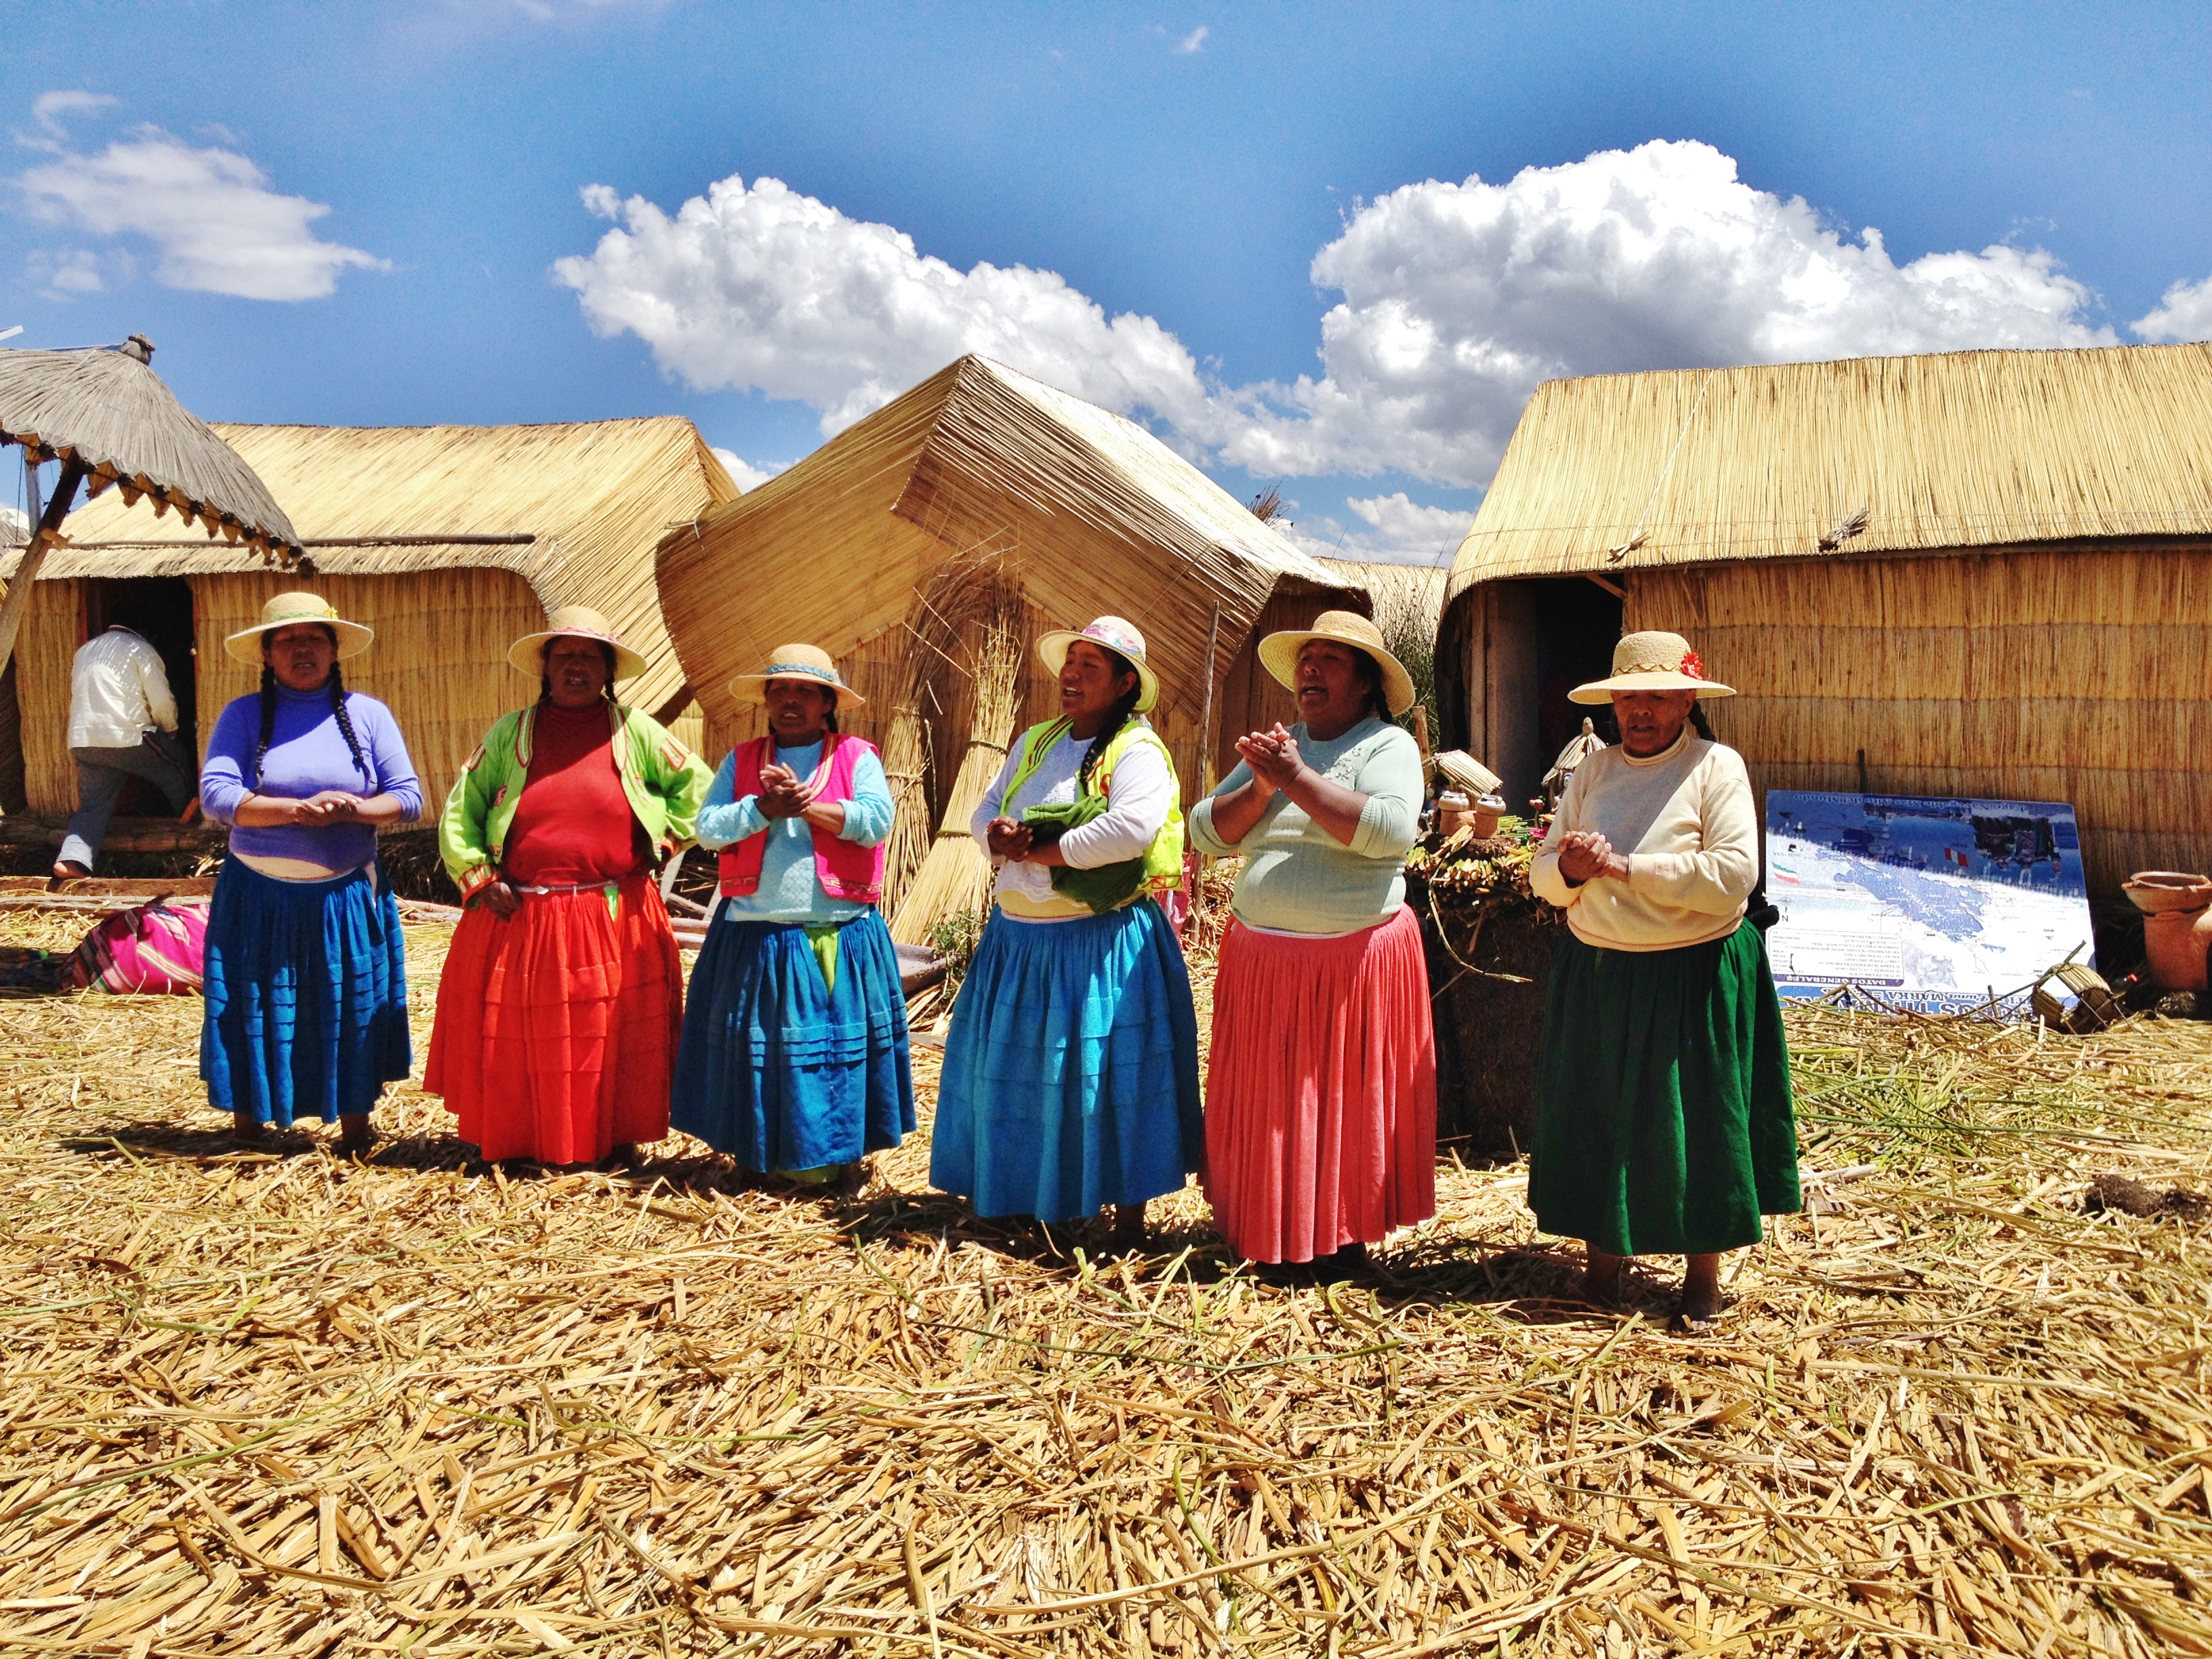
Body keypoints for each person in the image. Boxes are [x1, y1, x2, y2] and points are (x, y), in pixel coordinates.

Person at [1527, 631, 1800, 1330]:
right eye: (1628, 698)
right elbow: (1544, 876)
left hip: (1695, 971)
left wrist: (1623, 868)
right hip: (1602, 972)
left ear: (1685, 702)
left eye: (1657, 696)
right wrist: (1570, 871)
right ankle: (1602, 1269)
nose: (1640, 710)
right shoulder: (1594, 771)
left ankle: (1701, 1279)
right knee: (1601, 1115)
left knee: (1702, 1122)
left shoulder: (1714, 768)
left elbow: (1733, 876)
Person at [930, 617, 1201, 1247]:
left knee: (1109, 1076)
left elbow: (1132, 828)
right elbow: (986, 806)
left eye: (1090, 666)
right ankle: (1021, 1198)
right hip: (1020, 944)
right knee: (1022, 1075)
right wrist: (995, 836)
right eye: (1070, 662)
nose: (1071, 675)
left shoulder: (1136, 750)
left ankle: (1126, 1222)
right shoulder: (1035, 741)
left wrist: (1042, 853)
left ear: (1126, 683)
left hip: (1098, 944)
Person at [1191, 610, 1435, 1277]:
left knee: (1340, 1104)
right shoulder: (1280, 746)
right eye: (1307, 658)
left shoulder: (1386, 746)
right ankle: (1270, 1229)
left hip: (1351, 961)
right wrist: (1264, 784)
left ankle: (1341, 1239)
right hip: (1265, 961)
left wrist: (1295, 779)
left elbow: (1389, 831)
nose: (1311, 669)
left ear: (1365, 683)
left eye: (1331, 659)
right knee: (1273, 1106)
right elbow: (1206, 831)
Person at [426, 607, 711, 1168]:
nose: (576, 667)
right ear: (546, 667)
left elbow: (699, 790)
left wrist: (661, 843)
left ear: (607, 671)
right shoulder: (511, 733)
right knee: (519, 1037)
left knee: (613, 1031)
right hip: (521, 911)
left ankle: (614, 1137)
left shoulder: (636, 731)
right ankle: (519, 1140)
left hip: (613, 909)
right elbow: (463, 810)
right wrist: (479, 877)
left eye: (589, 657)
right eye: (565, 656)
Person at [671, 644, 913, 1188]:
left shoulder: (856, 756)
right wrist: (763, 808)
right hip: (754, 932)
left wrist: (808, 807)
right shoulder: (742, 760)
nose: (790, 700)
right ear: (766, 700)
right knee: (753, 1053)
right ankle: (754, 1159)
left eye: (805, 691)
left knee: (836, 1058)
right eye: (779, 690)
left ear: (827, 703)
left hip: (836, 931)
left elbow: (876, 821)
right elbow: (707, 829)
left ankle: (841, 1163)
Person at [198, 593, 421, 1153]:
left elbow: (408, 798)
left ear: (334, 649)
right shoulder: (243, 715)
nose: (303, 649)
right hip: (257, 898)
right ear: (268, 654)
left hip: (343, 898)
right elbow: (217, 795)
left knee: (349, 1007)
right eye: (288, 640)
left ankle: (356, 1134)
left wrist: (351, 811)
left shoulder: (368, 715)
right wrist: (296, 811)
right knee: (251, 1003)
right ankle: (248, 1132)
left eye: (315, 638)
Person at [56, 623, 195, 878]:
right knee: (179, 766)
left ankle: (72, 860)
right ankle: (188, 833)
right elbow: (161, 700)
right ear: (143, 632)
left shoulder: (85, 650)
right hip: (128, 737)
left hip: (84, 740)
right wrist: (170, 731)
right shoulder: (140, 648)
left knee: (93, 804)